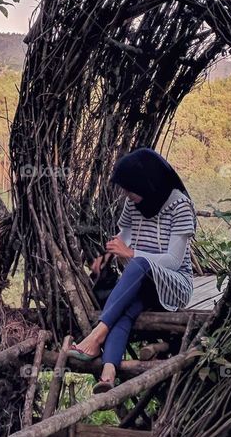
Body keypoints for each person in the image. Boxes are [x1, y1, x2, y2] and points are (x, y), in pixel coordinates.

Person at [69, 147, 197, 392]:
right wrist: (106, 256)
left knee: (138, 263)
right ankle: (108, 373)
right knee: (126, 311)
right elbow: (124, 237)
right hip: (143, 281)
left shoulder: (180, 207)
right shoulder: (134, 204)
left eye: (130, 189)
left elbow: (172, 260)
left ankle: (96, 336)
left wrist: (131, 254)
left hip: (174, 285)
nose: (127, 196)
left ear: (148, 183)